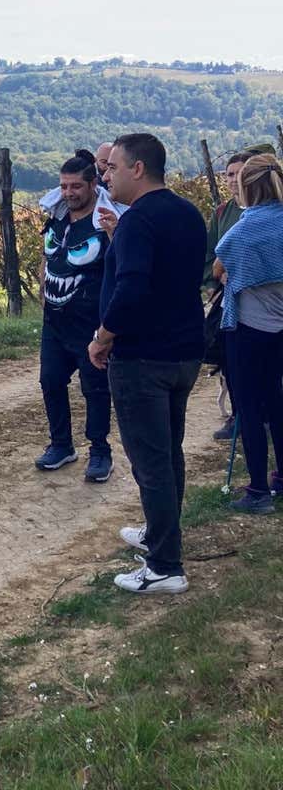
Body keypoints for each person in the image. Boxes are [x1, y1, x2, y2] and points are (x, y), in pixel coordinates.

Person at [90, 133, 207, 595]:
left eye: (113, 167)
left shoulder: (138, 220)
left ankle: (164, 565)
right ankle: (162, 532)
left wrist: (103, 337)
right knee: (169, 449)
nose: (106, 174)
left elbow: (132, 288)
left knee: (151, 461)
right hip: (184, 352)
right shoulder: (188, 214)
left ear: (138, 169)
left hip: (142, 357)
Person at [36, 152, 114, 482]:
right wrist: (42, 290)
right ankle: (61, 445)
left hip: (89, 323)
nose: (69, 193)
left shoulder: (106, 222)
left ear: (93, 184)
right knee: (50, 381)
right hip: (54, 321)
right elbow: (46, 255)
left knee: (94, 388)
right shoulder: (57, 218)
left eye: (76, 186)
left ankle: (100, 451)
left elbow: (119, 268)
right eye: (64, 186)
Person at [213, 153, 283, 513]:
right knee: (277, 399)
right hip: (280, 325)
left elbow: (219, 265)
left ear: (246, 185)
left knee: (249, 408)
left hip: (248, 327)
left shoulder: (245, 228)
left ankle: (257, 490)